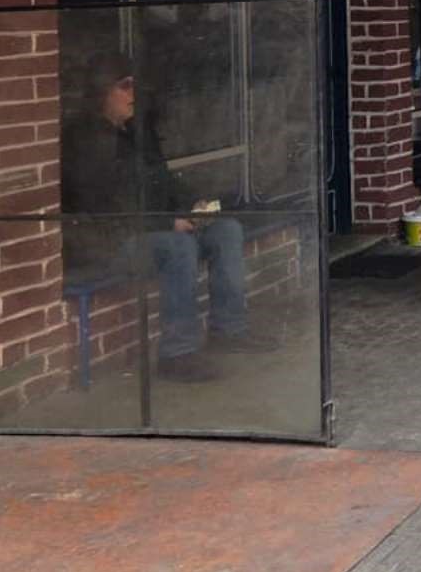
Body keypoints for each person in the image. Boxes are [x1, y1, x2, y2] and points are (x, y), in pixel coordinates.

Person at [63, 52, 268, 383]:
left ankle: (229, 329)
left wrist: (191, 206)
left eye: (135, 86)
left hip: (153, 229)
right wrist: (166, 224)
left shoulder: (136, 132)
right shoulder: (87, 143)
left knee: (226, 230)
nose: (133, 94)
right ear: (102, 91)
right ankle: (178, 353)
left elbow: (163, 181)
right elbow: (103, 210)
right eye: (124, 86)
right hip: (109, 243)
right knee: (178, 247)